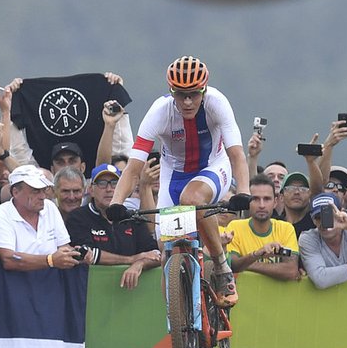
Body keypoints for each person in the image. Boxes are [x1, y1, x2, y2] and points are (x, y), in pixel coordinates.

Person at [107, 57, 251, 305]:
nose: (187, 102)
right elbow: (133, 168)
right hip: (173, 174)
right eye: (180, 94)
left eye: (194, 95)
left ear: (203, 90)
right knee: (167, 251)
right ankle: (179, 327)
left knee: (191, 199)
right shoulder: (159, 112)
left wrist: (244, 191)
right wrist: (116, 203)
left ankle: (220, 266)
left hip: (213, 167)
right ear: (171, 91)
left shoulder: (217, 104)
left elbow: (236, 154)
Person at [66, 164, 162, 290]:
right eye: (102, 183)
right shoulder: (78, 217)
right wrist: (132, 259)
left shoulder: (131, 217)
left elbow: (155, 253)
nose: (109, 189)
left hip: (128, 296)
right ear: (91, 190)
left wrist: (140, 263)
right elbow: (87, 254)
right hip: (90, 292)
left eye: (115, 183)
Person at [0, 164, 89, 270]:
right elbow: (9, 259)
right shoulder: (0, 215)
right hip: (15, 285)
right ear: (15, 192)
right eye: (35, 191)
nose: (43, 196)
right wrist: (50, 260)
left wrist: (75, 254)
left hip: (51, 283)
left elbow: (63, 247)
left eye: (43, 190)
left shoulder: (49, 207)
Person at [223, 174, 301, 281]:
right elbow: (232, 264)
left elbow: (291, 271)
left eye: (267, 199)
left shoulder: (286, 229)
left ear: (275, 202)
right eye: (255, 199)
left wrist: (248, 264)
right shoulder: (235, 227)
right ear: (248, 202)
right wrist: (257, 254)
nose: (262, 205)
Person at [299, 193, 347, 288]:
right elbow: (320, 279)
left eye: (328, 215)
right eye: (318, 217)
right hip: (325, 300)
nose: (323, 222)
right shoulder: (308, 238)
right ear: (313, 220)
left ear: (340, 213)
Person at [276, 171, 315, 236]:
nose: (296, 192)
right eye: (290, 188)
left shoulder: (316, 223)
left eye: (303, 189)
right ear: (281, 197)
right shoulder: (274, 225)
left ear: (310, 196)